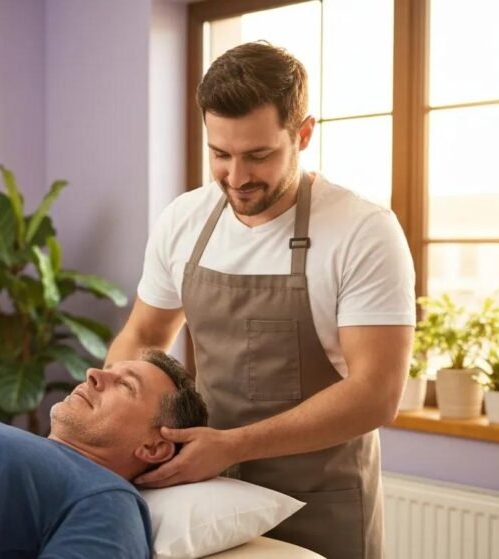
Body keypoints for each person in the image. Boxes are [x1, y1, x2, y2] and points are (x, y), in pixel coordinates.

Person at [106, 41, 415, 559]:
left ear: (304, 133)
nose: (237, 176)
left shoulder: (362, 231)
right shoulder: (185, 220)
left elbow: (377, 393)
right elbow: (142, 335)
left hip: (320, 500)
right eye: (220, 154)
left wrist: (233, 445)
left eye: (259, 155)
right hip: (205, 493)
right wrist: (121, 431)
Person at [0, 348, 208, 558]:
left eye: (125, 385)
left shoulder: (107, 499)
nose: (93, 374)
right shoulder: (27, 450)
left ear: (154, 448)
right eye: (109, 369)